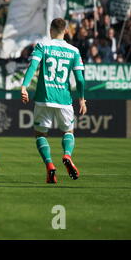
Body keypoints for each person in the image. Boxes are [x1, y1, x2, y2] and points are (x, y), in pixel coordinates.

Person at [21, 18, 87, 184]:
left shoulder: (42, 46)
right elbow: (80, 79)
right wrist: (82, 99)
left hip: (44, 98)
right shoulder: (74, 51)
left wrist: (24, 86)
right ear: (65, 31)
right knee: (68, 132)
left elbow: (32, 67)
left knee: (40, 134)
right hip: (64, 99)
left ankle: (49, 165)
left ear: (51, 30)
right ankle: (67, 155)